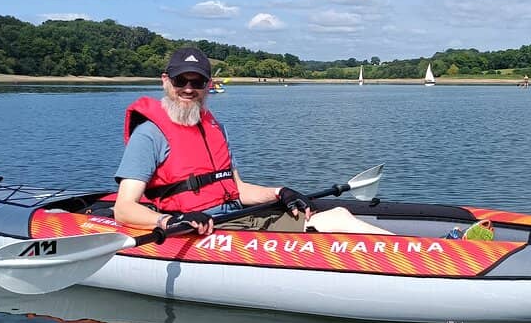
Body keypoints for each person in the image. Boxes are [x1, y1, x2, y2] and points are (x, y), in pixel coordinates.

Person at [114, 46, 392, 236]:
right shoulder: (149, 134)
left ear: (208, 85)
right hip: (193, 229)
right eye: (180, 81)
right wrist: (171, 220)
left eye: (197, 82)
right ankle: (430, 260)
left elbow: (237, 190)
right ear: (166, 81)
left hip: (232, 216)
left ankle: (430, 255)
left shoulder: (213, 128)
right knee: (335, 220)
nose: (188, 89)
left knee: (337, 213)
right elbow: (124, 209)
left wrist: (279, 192)